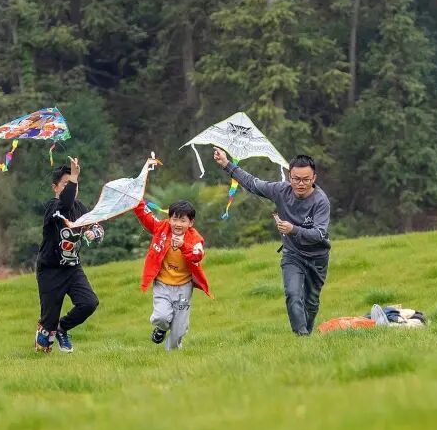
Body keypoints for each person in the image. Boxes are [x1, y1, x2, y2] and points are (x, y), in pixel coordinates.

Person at [213, 148, 331, 335]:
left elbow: (319, 234)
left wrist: (293, 229)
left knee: (311, 302)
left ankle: (307, 333)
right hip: (293, 254)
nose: (300, 184)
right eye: (296, 179)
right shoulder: (280, 190)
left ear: (314, 178)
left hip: (317, 257)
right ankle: (301, 338)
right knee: (293, 294)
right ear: (289, 176)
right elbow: (252, 183)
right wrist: (227, 164)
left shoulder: (321, 201)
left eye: (305, 180)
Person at [35, 157, 103, 353]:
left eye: (73, 183)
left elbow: (97, 225)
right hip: (50, 271)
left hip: (73, 269)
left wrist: (94, 232)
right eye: (65, 184)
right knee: (48, 323)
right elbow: (64, 204)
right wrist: (74, 175)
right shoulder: (53, 207)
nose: (72, 187)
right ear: (55, 188)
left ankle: (62, 328)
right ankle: (43, 348)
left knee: (89, 303)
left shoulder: (80, 208)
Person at [131, 198, 211, 350]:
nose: (178, 224)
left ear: (190, 223)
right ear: (169, 219)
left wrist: (183, 246)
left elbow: (197, 255)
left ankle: (172, 357)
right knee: (161, 317)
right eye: (174, 219)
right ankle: (161, 328)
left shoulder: (195, 239)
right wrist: (136, 200)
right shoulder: (161, 228)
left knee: (179, 329)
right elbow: (145, 216)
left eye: (182, 221)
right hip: (162, 285)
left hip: (183, 289)